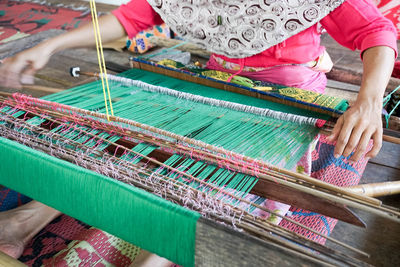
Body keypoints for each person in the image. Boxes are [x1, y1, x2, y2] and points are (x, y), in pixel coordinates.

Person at [0, 0, 397, 263]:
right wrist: (51, 46)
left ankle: (164, 252)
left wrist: (369, 100)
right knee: (114, 139)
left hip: (288, 93)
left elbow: (375, 32)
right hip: (212, 80)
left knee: (217, 175)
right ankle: (27, 219)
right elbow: (132, 17)